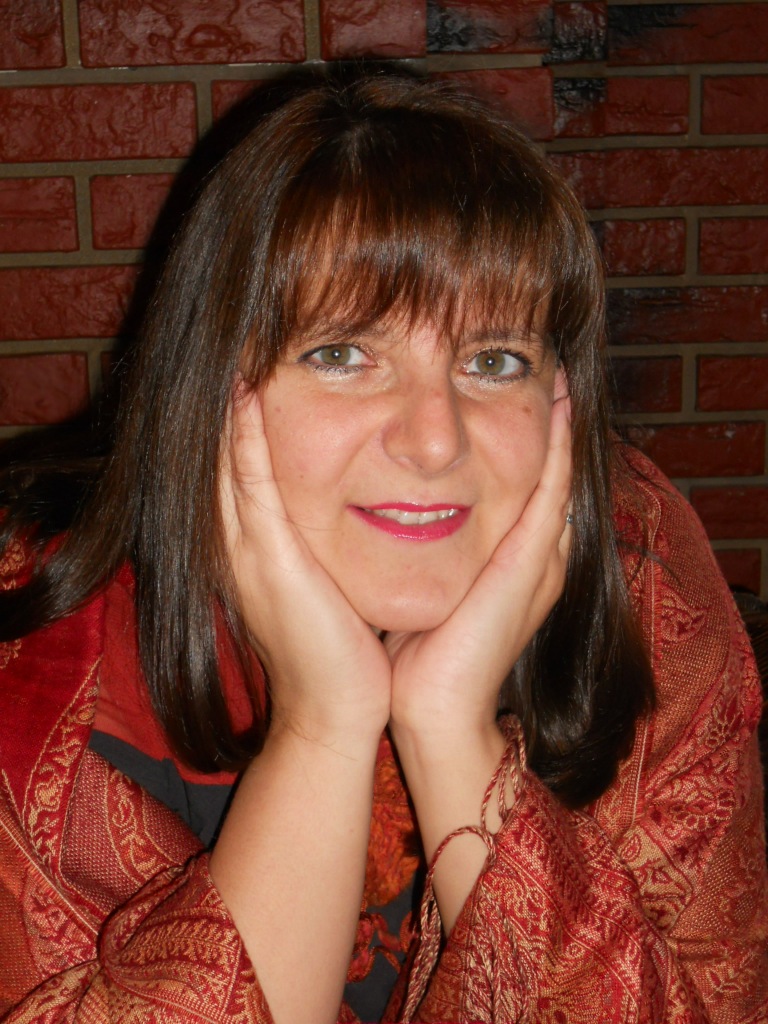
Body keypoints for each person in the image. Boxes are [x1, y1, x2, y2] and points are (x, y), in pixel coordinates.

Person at [0, 70, 765, 1024]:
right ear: (209, 380)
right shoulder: (43, 640)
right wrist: (324, 725)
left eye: (494, 361)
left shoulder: (634, 563)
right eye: (341, 354)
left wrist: (452, 732)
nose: (435, 440)